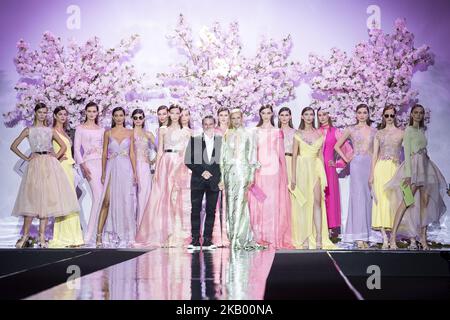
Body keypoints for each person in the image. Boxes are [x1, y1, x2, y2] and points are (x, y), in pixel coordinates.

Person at [11, 103, 79, 248]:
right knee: (31, 201)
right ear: (35, 113)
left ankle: (42, 238)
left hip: (48, 164)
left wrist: (55, 157)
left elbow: (64, 146)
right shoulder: (29, 130)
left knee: (46, 202)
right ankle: (25, 236)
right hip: (35, 166)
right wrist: (26, 157)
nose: (42, 115)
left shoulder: (50, 130)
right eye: (40, 112)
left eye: (44, 112)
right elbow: (13, 146)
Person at [387, 104, 447, 250]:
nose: (418, 115)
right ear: (412, 115)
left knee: (425, 204)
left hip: (426, 166)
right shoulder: (408, 130)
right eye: (416, 112)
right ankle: (392, 238)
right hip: (413, 168)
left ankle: (423, 239)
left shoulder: (422, 130)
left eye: (421, 113)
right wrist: (408, 175)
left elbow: (423, 150)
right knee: (406, 202)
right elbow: (407, 153)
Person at [135, 105, 192, 247]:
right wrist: (157, 168)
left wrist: (187, 167)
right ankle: (164, 234)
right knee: (163, 198)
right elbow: (159, 150)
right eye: (171, 113)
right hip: (166, 163)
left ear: (180, 115)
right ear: (168, 114)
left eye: (177, 113)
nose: (174, 115)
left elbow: (189, 152)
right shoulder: (163, 130)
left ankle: (178, 235)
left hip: (181, 165)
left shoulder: (186, 131)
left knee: (178, 198)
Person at [249, 105, 292, 249]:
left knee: (272, 204)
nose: (266, 115)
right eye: (263, 113)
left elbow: (281, 153)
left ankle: (272, 237)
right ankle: (259, 237)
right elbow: (252, 152)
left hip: (274, 170)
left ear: (272, 114)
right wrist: (252, 170)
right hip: (259, 170)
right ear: (260, 114)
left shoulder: (277, 131)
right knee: (260, 203)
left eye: (268, 113)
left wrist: (284, 175)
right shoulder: (255, 131)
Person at [291, 107, 335, 249]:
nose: (309, 117)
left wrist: (323, 175)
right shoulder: (298, 133)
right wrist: (293, 177)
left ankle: (319, 238)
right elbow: (294, 157)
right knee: (303, 204)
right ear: (302, 117)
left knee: (317, 202)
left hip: (315, 169)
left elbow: (320, 156)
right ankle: (304, 237)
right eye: (306, 115)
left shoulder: (319, 133)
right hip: (302, 169)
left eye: (311, 114)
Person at [218, 108, 262, 250]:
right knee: (230, 203)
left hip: (243, 171)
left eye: (238, 118)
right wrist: (221, 176)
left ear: (242, 118)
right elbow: (222, 157)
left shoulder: (249, 134)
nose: (236, 121)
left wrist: (251, 175)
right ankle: (233, 237)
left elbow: (252, 155)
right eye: (233, 118)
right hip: (229, 173)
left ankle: (238, 237)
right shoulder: (227, 134)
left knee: (240, 204)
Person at [335, 104, 376, 249]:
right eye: (359, 112)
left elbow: (375, 151)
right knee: (358, 198)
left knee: (367, 199)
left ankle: (365, 235)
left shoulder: (374, 131)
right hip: (357, 165)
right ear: (356, 114)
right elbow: (337, 146)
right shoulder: (351, 129)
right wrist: (346, 159)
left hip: (370, 165)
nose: (362, 115)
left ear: (368, 114)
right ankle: (358, 237)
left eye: (365, 112)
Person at [95, 107, 138, 248]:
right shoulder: (108, 133)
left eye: (121, 115)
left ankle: (124, 235)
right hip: (112, 168)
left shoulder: (130, 132)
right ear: (113, 117)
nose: (119, 118)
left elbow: (132, 153)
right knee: (106, 201)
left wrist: (135, 172)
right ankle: (99, 235)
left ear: (124, 117)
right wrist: (102, 172)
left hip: (126, 169)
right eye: (116, 116)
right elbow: (103, 154)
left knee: (126, 202)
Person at [49, 106, 84, 248]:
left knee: (71, 200)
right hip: (61, 168)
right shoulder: (52, 130)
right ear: (55, 116)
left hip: (69, 167)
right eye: (60, 114)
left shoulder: (64, 131)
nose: (63, 117)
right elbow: (46, 148)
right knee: (64, 200)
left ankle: (73, 237)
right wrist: (56, 158)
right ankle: (63, 237)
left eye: (65, 114)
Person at [185, 115, 222, 250]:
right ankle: (195, 239)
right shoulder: (194, 141)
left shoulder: (220, 141)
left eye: (210, 124)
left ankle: (207, 240)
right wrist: (202, 171)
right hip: (197, 180)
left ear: (214, 125)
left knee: (211, 210)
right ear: (202, 125)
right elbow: (188, 160)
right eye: (205, 124)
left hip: (214, 181)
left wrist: (221, 179)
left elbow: (223, 162)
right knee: (195, 210)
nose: (208, 126)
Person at [369, 105, 404, 249]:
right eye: (386, 115)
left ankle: (393, 237)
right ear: (383, 117)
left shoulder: (402, 133)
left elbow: (406, 154)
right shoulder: (379, 133)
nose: (389, 118)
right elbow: (374, 155)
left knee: (394, 201)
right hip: (381, 168)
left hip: (395, 169)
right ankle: (384, 237)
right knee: (381, 200)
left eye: (391, 115)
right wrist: (371, 174)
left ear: (395, 116)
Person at [317, 108, 353, 238]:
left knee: (330, 196)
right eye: (319, 115)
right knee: (318, 196)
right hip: (316, 167)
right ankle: (319, 227)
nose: (322, 117)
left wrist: (339, 164)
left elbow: (348, 150)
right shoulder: (315, 132)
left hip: (329, 168)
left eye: (325, 114)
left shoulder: (336, 132)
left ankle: (331, 229)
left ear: (329, 115)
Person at [74, 102, 105, 245]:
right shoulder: (80, 128)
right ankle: (89, 234)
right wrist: (83, 166)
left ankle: (99, 234)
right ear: (85, 112)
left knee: (103, 199)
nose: (92, 114)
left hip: (102, 164)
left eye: (94, 111)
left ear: (98, 113)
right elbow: (76, 150)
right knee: (98, 198)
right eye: (89, 111)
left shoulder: (101, 129)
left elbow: (105, 150)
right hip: (89, 164)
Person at [132, 109, 156, 226]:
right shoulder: (129, 133)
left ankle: (143, 227)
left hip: (144, 167)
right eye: (135, 118)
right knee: (131, 198)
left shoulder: (148, 134)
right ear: (132, 119)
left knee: (144, 196)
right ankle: (131, 228)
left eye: (140, 117)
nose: (138, 120)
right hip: (130, 167)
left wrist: (153, 160)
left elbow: (161, 148)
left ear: (144, 119)